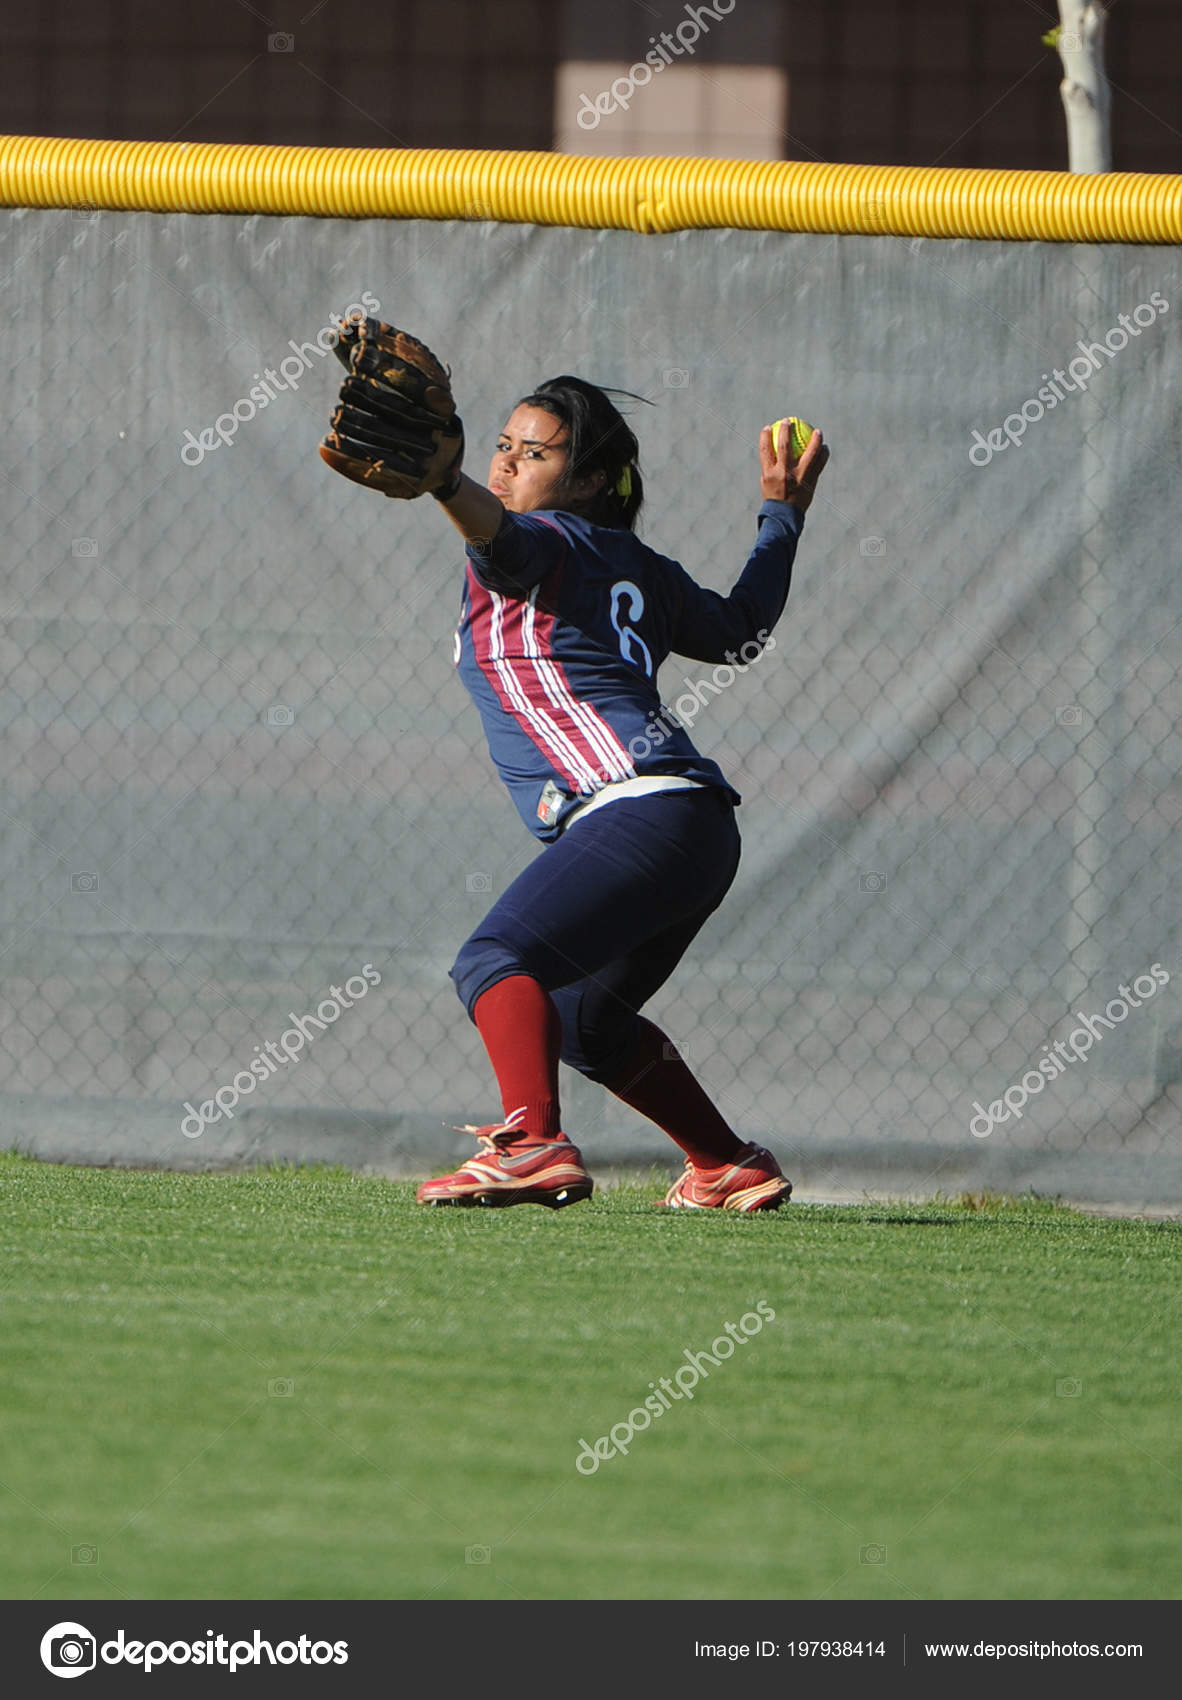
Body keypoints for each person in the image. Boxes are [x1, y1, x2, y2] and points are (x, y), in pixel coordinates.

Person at [416, 375, 828, 1211]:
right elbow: (737, 627)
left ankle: (531, 1144)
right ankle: (727, 1165)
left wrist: (441, 481)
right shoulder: (635, 565)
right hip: (696, 829)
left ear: (593, 478)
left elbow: (498, 537)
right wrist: (781, 513)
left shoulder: (546, 544)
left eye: (535, 453)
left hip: (637, 809)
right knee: (585, 1022)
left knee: (493, 960)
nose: (507, 464)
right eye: (502, 446)